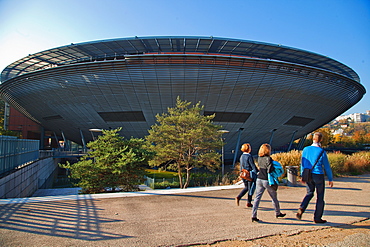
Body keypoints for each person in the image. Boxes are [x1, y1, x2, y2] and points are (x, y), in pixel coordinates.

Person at [297, 132, 334, 224]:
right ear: (320, 140)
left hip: (307, 174)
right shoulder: (321, 151)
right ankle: (317, 217)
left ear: (312, 139)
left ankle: (302, 207)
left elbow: (303, 163)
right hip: (318, 174)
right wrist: (330, 178)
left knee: (309, 193)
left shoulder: (305, 149)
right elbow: (326, 166)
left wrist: (302, 175)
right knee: (320, 197)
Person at [251, 143, 286, 222]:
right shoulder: (268, 159)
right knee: (274, 197)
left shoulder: (259, 158)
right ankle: (277, 212)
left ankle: (253, 215)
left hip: (259, 179)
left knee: (257, 197)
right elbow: (270, 169)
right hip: (267, 180)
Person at [235, 143, 258, 207]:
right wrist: (257, 172)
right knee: (250, 188)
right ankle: (248, 202)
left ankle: (239, 197)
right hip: (249, 174)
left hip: (243, 174)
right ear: (248, 149)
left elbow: (241, 166)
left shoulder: (242, 156)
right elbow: (253, 166)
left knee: (246, 187)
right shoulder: (249, 156)